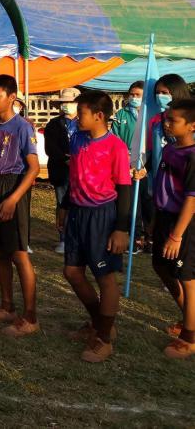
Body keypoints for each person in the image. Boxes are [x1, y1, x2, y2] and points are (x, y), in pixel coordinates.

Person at [57, 91, 131, 363]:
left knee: (105, 277)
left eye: (82, 113)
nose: (77, 117)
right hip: (77, 213)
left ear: (99, 116)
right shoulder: (77, 138)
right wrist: (64, 205)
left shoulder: (115, 146)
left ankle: (104, 339)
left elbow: (124, 187)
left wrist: (121, 228)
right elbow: (74, 175)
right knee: (72, 272)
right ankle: (100, 323)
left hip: (102, 216)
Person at [0, 74, 41, 337]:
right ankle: (7, 306)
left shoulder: (23, 127)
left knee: (18, 253)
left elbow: (34, 168)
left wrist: (13, 199)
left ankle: (31, 316)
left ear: (12, 97)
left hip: (13, 187)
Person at [149, 98, 195, 359]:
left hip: (184, 223)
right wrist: (155, 219)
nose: (167, 124)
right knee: (161, 266)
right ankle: (189, 316)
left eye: (173, 120)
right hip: (164, 217)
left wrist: (177, 235)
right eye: (166, 119)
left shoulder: (192, 155)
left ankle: (190, 337)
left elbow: (191, 199)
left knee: (187, 277)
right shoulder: (169, 150)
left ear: (192, 125)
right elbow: (162, 186)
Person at [111, 81, 150, 249]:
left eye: (138, 95)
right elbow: (115, 138)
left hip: (148, 164)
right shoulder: (121, 114)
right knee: (132, 201)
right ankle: (134, 236)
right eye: (132, 94)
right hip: (127, 165)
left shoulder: (151, 115)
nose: (134, 98)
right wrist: (126, 158)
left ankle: (149, 237)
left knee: (148, 200)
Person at [44, 88, 80, 254]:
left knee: (79, 203)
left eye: (70, 102)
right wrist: (65, 159)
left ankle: (77, 237)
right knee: (61, 203)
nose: (66, 105)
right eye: (63, 102)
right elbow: (50, 147)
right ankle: (63, 238)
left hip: (81, 170)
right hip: (60, 169)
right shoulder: (53, 124)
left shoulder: (84, 123)